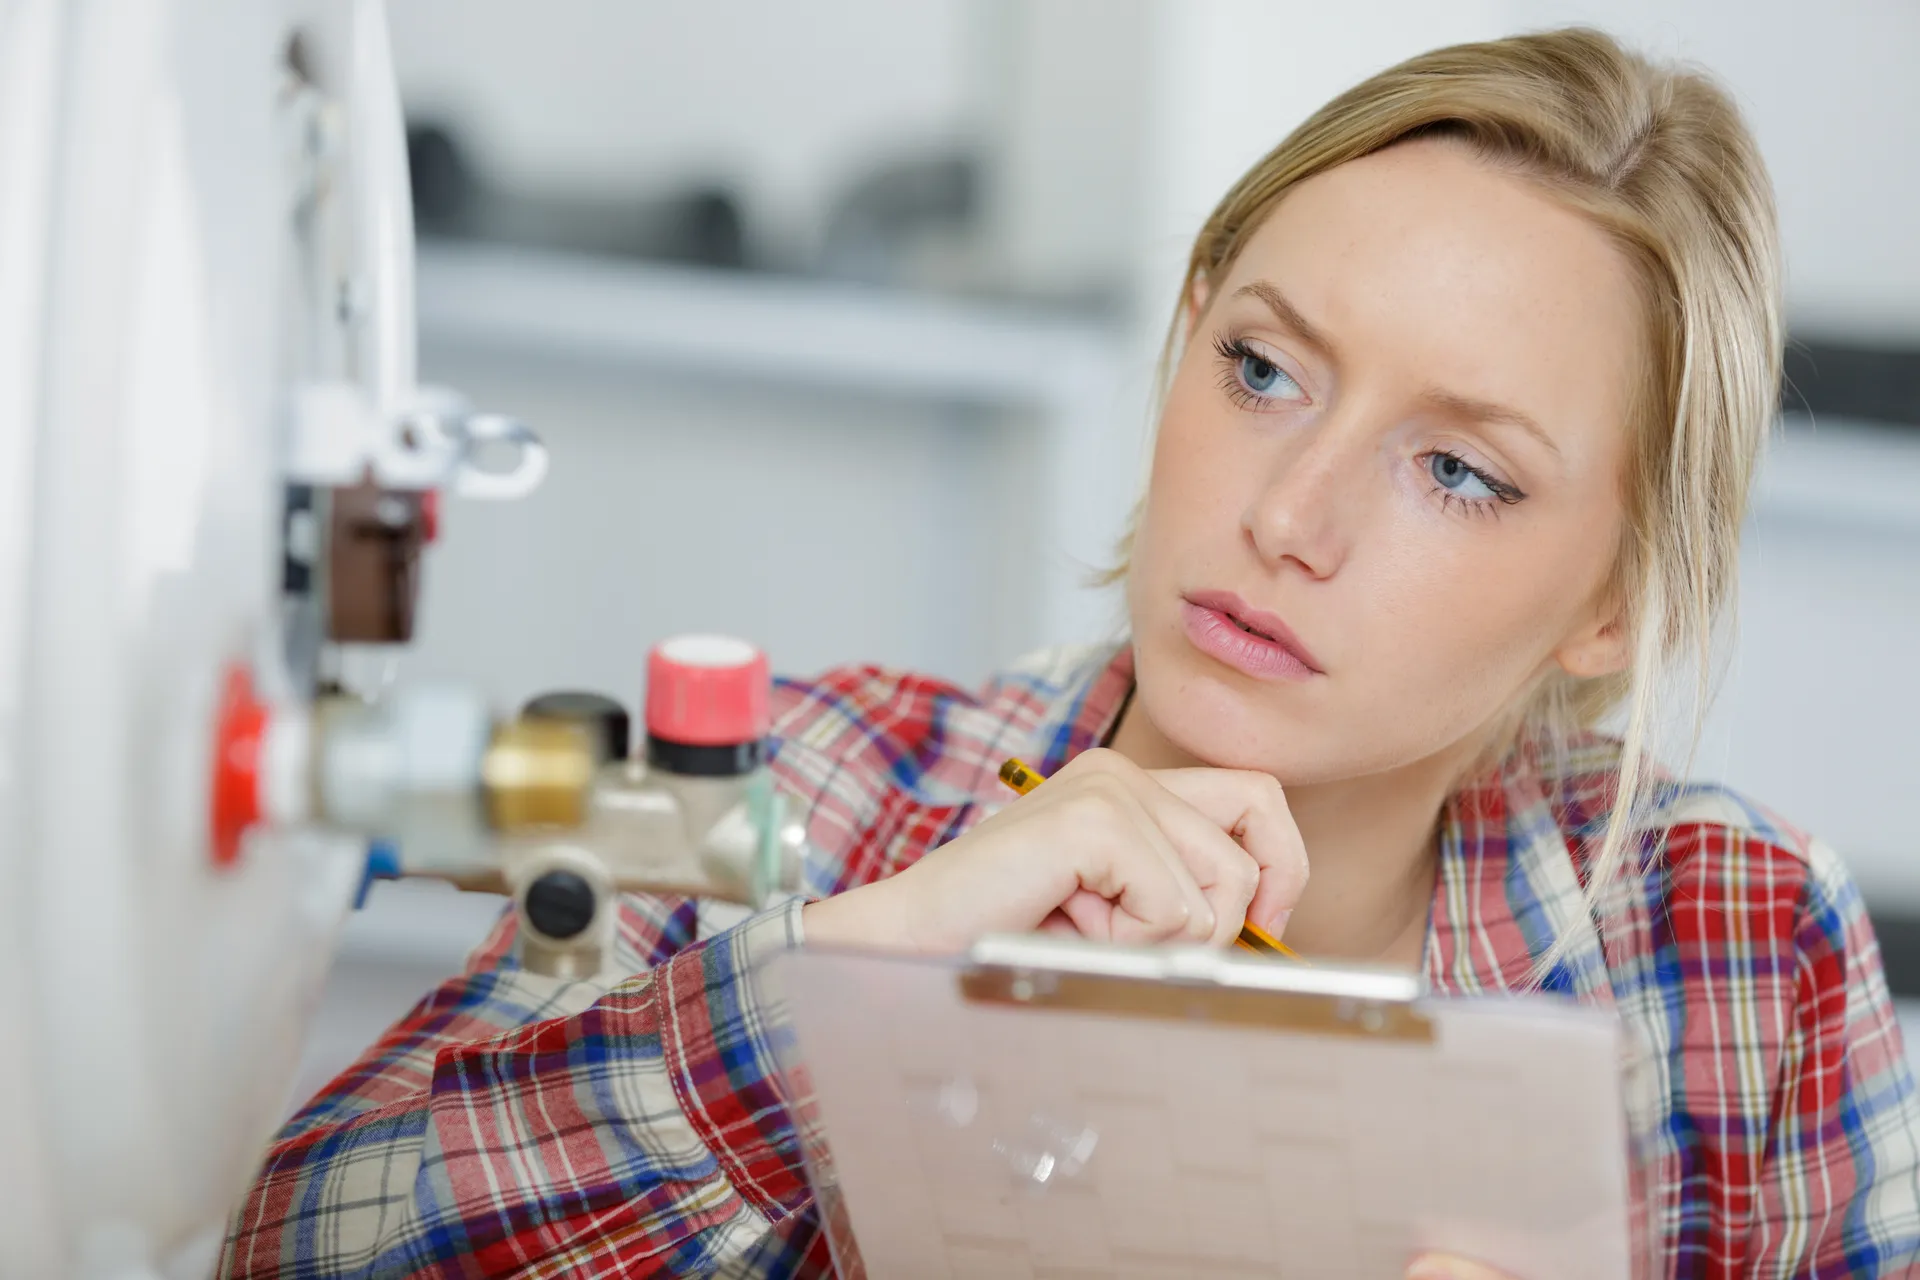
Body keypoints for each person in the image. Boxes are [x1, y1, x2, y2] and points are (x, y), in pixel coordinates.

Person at [221, 26, 1920, 1280]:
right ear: (1187, 337)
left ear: (1609, 602)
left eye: (1458, 471)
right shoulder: (813, 791)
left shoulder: (1744, 952)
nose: (1292, 517)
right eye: (1267, 370)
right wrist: (845, 990)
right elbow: (291, 1246)